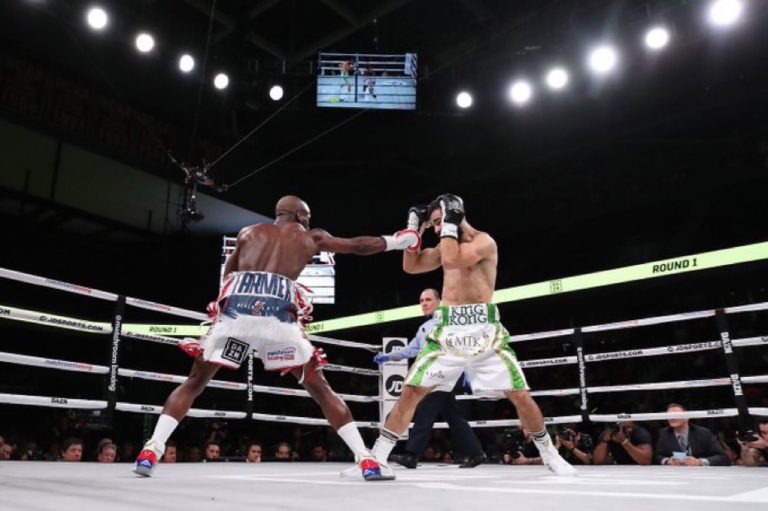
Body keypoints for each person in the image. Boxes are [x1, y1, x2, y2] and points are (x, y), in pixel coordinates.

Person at [134, 195, 418, 479]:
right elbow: (359, 246)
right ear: (298, 215)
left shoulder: (247, 233)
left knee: (195, 382)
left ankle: (151, 451)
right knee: (320, 388)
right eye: (307, 216)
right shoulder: (311, 237)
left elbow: (228, 278)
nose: (309, 221)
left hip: (237, 315)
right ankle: (366, 460)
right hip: (277, 319)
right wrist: (399, 241)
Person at [368, 194, 576, 477]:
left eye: (439, 222)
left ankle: (550, 454)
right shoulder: (444, 245)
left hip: (483, 330)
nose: (437, 229)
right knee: (412, 390)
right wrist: (414, 229)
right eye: (434, 224)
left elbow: (452, 260)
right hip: (448, 330)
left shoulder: (483, 242)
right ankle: (377, 458)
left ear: (455, 216)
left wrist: (450, 222)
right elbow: (411, 266)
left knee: (519, 394)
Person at [373, 288, 486, 468]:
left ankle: (412, 455)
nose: (424, 303)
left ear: (439, 302)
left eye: (428, 300)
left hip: (442, 373)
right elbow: (410, 350)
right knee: (453, 415)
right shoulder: (423, 328)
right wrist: (388, 356)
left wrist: (468, 368)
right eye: (421, 301)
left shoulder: (449, 322)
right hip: (433, 375)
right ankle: (476, 452)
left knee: (426, 410)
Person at [655, 403, 730, 466]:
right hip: (675, 474)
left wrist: (699, 462)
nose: (672, 418)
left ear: (687, 417)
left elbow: (723, 457)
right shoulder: (664, 434)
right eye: (669, 416)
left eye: (676, 415)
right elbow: (657, 456)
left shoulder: (703, 433)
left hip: (702, 474)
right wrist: (667, 461)